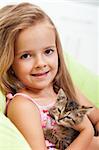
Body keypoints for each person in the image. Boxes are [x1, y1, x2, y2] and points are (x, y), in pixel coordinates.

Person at [0, 2, 99, 150]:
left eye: (48, 51)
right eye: (26, 55)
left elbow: (96, 118)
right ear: (10, 62)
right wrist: (86, 132)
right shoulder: (24, 105)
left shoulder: (64, 88)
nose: (40, 63)